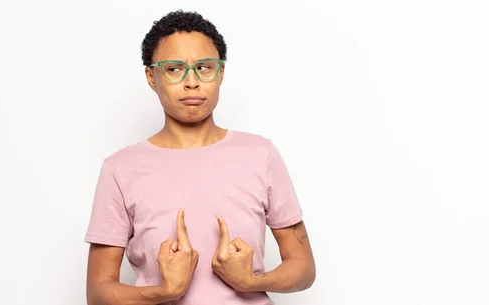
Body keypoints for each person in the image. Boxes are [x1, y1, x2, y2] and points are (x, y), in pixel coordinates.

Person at [84, 10, 316, 305]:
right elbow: (98, 292)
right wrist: (165, 291)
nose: (191, 82)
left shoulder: (261, 155)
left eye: (204, 67)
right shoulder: (120, 169)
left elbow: (304, 268)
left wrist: (251, 281)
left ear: (220, 73)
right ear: (151, 77)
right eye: (174, 69)